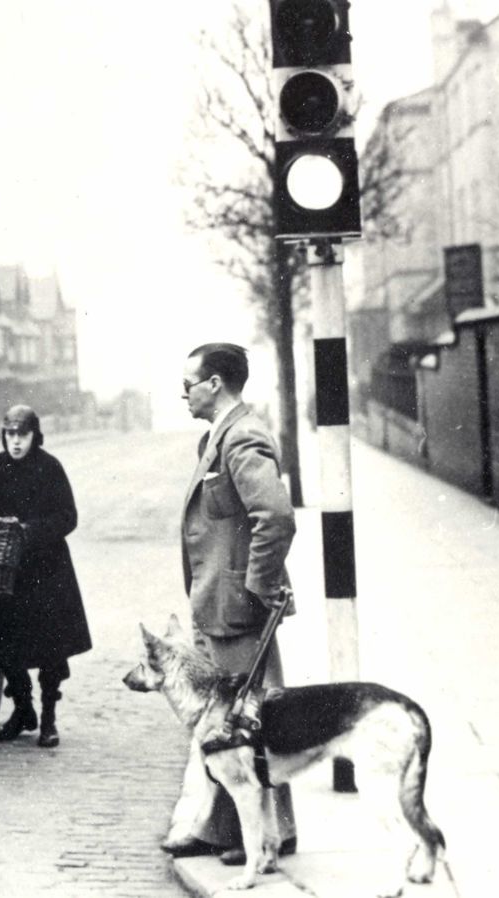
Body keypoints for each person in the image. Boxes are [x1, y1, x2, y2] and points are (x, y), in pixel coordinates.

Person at [162, 343, 297, 865]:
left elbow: (276, 517)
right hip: (218, 605)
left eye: (189, 382)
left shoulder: (241, 437)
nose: (184, 393)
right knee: (228, 723)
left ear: (215, 383)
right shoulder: (218, 436)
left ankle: (271, 834)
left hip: (237, 607)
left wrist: (257, 589)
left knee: (251, 721)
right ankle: (225, 828)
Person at [0, 404, 92, 748]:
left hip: (48, 569)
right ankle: (23, 709)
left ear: (34, 436)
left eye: (22, 435)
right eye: (10, 434)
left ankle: (49, 720)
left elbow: (68, 517)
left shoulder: (50, 467)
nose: (15, 442)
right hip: (8, 568)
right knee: (2, 640)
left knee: (50, 647)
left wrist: (31, 531)